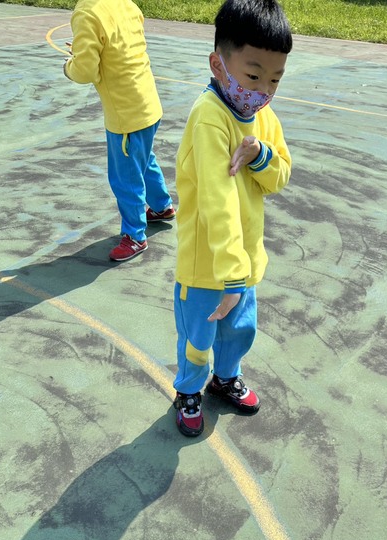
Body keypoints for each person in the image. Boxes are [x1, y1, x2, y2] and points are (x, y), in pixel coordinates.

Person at [172, 0, 293, 437]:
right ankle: (188, 390)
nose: (263, 90)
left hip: (244, 260)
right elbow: (216, 200)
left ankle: (225, 378)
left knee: (239, 330)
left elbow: (279, 175)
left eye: (275, 79)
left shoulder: (263, 116)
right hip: (209, 265)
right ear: (218, 65)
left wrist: (261, 155)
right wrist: (231, 274)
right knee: (198, 338)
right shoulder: (210, 118)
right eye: (254, 76)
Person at [63, 0, 175, 261]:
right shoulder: (126, 4)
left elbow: (85, 70)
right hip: (148, 103)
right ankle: (162, 206)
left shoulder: (87, 13)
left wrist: (69, 66)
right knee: (143, 160)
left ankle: (135, 235)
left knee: (125, 176)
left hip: (126, 115)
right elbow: (117, 48)